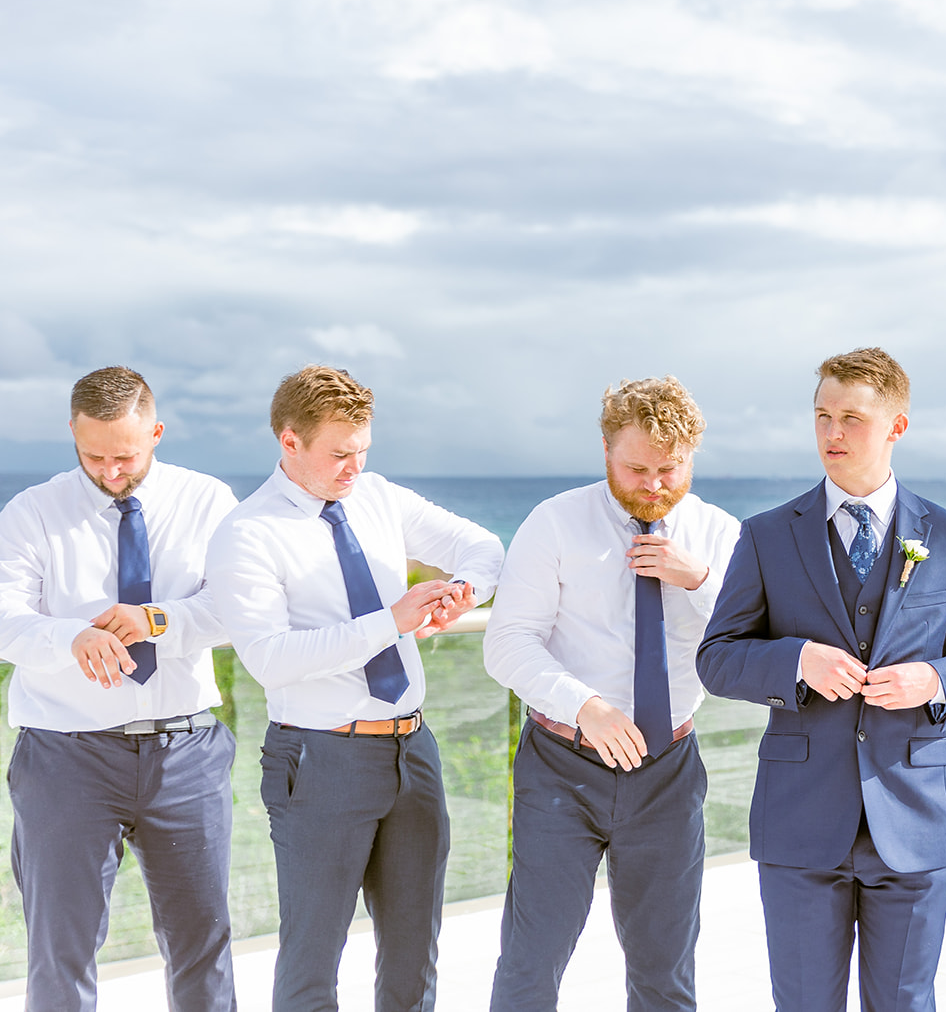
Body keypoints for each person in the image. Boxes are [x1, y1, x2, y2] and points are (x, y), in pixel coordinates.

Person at [697, 347, 946, 1012]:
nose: (832, 433)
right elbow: (718, 655)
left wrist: (933, 679)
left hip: (915, 820)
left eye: (851, 418)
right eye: (822, 416)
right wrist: (796, 661)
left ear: (897, 426)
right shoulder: (766, 535)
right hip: (798, 824)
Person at [205, 364, 503, 1012]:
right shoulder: (248, 533)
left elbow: (482, 546)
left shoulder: (378, 496)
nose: (354, 467)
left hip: (412, 750)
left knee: (413, 954)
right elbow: (270, 659)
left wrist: (462, 591)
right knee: (314, 959)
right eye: (339, 453)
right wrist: (391, 621)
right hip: (319, 759)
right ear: (289, 441)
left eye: (363, 450)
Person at [483, 376, 741, 1010]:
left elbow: (750, 645)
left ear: (692, 456)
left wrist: (699, 579)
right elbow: (507, 643)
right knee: (532, 957)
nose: (654, 484)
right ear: (605, 449)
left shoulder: (719, 534)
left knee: (665, 967)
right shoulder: (555, 523)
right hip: (560, 768)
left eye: (669, 469)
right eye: (637, 468)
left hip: (669, 772)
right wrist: (585, 705)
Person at [0, 366, 239, 1012]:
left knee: (203, 943)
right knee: (60, 949)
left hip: (186, 754)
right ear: (72, 434)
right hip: (64, 760)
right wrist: (69, 638)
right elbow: (5, 616)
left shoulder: (209, 501)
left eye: (125, 456)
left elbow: (239, 606)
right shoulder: (31, 513)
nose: (109, 470)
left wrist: (159, 620)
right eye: (92, 455)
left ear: (156, 432)